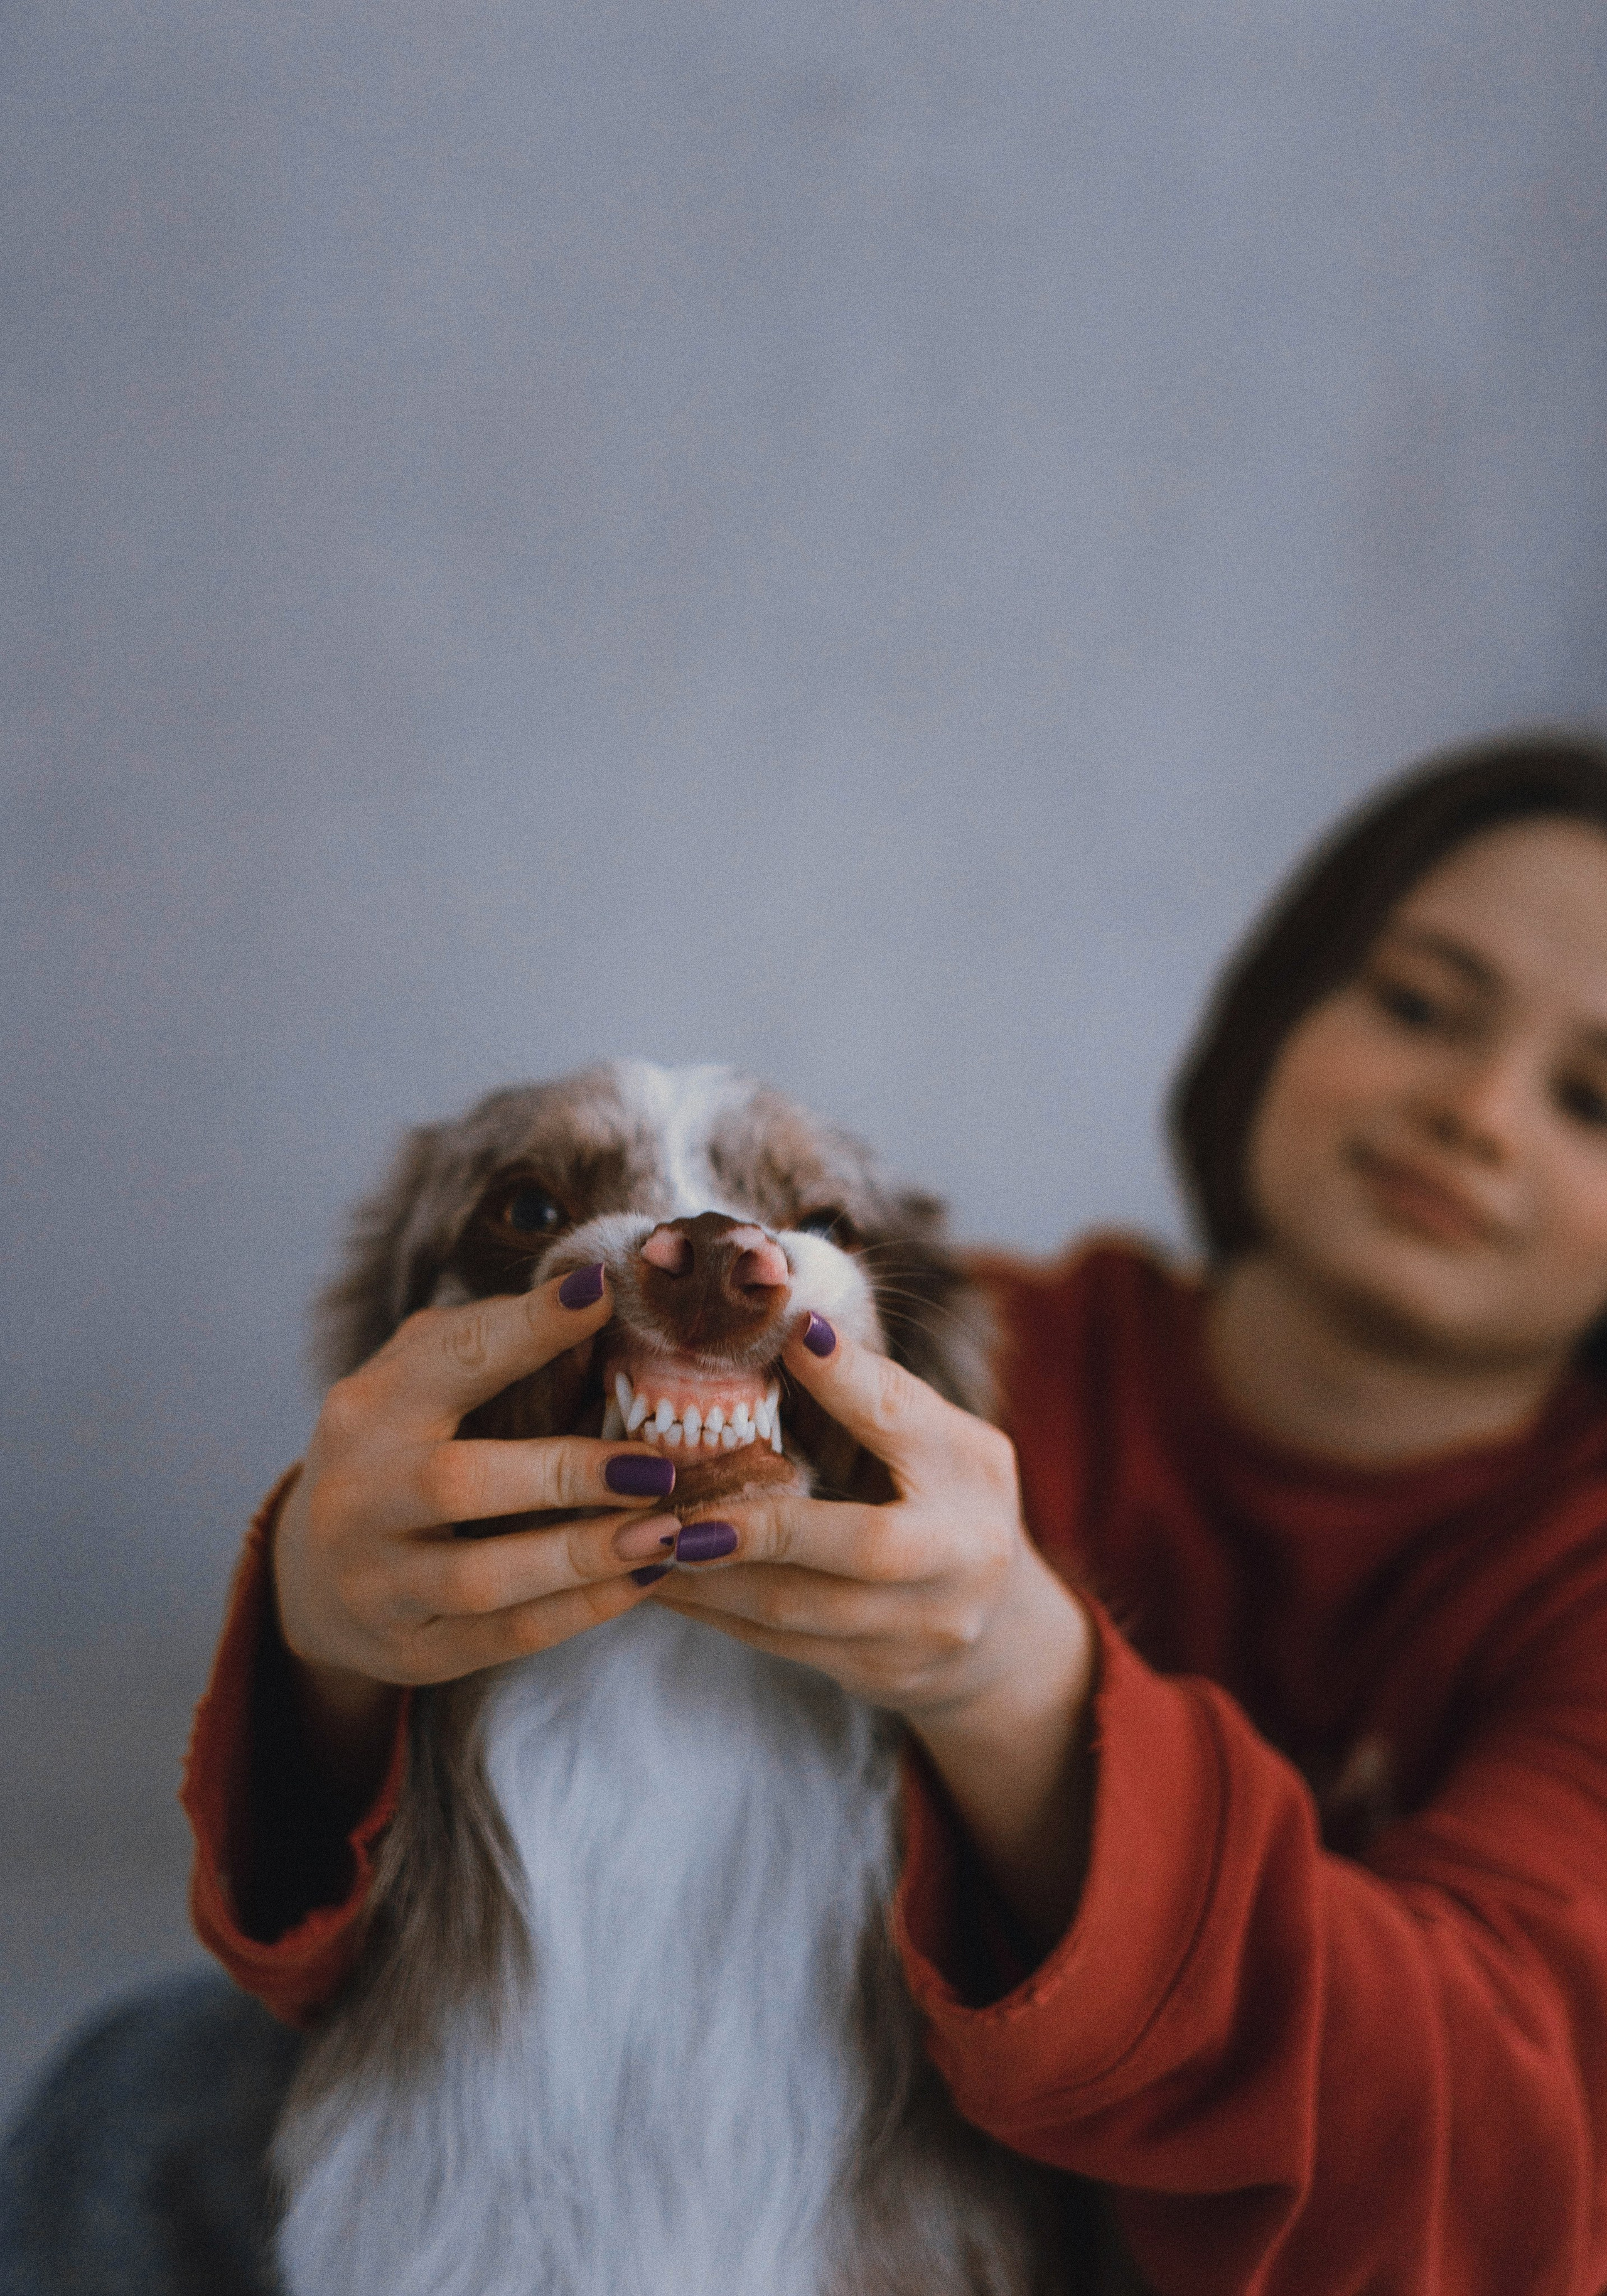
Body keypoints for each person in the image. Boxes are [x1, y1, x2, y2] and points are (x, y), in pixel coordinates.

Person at [8, 728, 1607, 2296]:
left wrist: (1019, 1688)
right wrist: (330, 1630)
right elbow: (327, 1932)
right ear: (1278, 1005)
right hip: (639, 2105)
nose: (1473, 1108)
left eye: (1590, 1096)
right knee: (154, 2083)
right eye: (1414, 1004)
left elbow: (1495, 2150)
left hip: (1247, 2218)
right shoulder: (982, 1347)